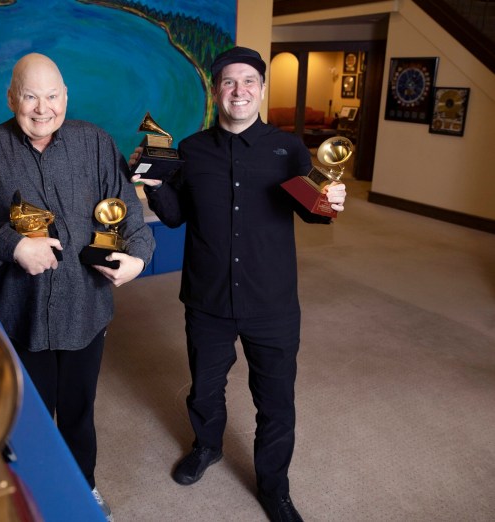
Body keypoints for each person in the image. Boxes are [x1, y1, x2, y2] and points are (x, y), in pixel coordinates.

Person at [131, 46, 347, 522]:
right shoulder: (189, 149)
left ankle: (275, 487)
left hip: (271, 302)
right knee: (204, 389)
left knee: (275, 400)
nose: (239, 91)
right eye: (229, 82)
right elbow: (175, 216)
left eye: (248, 81)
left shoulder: (287, 149)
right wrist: (151, 182)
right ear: (216, 91)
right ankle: (206, 446)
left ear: (262, 89)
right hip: (207, 298)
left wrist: (331, 200)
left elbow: (315, 216)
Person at [0, 52, 155, 521]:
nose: (42, 108)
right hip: (19, 314)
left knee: (79, 413)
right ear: (11, 98)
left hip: (87, 310)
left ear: (66, 96)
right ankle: (33, 500)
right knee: (28, 422)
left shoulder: (97, 142)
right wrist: (13, 245)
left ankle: (83, 489)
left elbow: (127, 210)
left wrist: (139, 258)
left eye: (51, 96)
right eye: (29, 96)